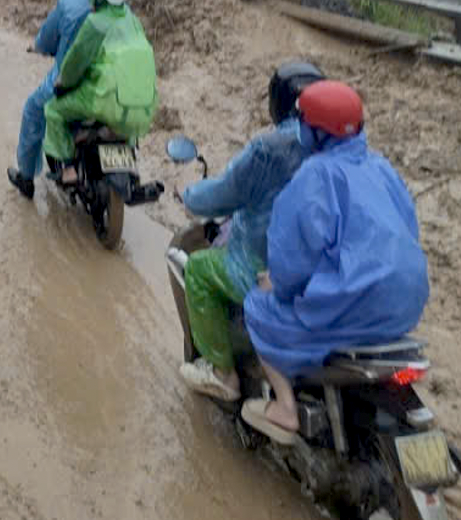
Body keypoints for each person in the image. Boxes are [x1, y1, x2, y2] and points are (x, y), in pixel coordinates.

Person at [240, 81, 429, 443]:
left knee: (258, 309)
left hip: (353, 308)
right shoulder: (382, 168)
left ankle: (284, 408)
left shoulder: (314, 176)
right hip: (406, 307)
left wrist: (275, 285)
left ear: (313, 132)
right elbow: (409, 228)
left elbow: (290, 263)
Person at [174, 61, 325, 402]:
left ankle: (222, 373)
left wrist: (190, 195)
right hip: (333, 278)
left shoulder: (271, 149)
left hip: (268, 270)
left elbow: (225, 193)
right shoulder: (343, 151)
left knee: (198, 269)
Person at [7, 0, 114, 196]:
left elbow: (46, 41)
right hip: (110, 87)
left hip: (69, 86)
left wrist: (40, 47)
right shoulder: (122, 10)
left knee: (33, 110)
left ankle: (26, 177)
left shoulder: (70, 3)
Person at [41, 0, 156, 185]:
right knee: (124, 120)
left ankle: (68, 168)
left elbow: (76, 60)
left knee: (53, 111)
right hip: (142, 101)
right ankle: (129, 157)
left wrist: (62, 82)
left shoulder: (95, 23)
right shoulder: (133, 21)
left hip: (102, 98)